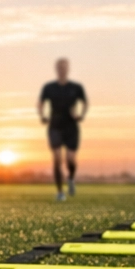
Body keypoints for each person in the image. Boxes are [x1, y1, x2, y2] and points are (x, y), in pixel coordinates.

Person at [37, 57, 87, 201]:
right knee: (57, 158)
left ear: (68, 69)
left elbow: (84, 103)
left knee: (70, 159)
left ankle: (71, 178)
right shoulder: (49, 87)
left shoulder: (76, 87)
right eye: (59, 67)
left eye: (64, 67)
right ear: (56, 69)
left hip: (71, 127)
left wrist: (80, 115)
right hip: (55, 126)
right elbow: (40, 103)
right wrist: (42, 115)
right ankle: (60, 192)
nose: (62, 69)